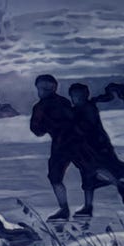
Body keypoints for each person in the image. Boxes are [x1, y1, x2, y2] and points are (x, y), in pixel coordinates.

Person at [68, 82, 124, 217]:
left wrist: (74, 126)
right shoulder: (77, 110)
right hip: (85, 149)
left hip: (98, 146)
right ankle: (89, 205)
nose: (77, 99)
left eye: (79, 96)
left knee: (110, 169)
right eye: (74, 96)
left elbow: (87, 127)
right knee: (90, 175)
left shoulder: (88, 108)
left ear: (85, 95)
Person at [30, 74, 75, 220]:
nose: (42, 91)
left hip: (63, 144)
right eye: (41, 88)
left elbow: (37, 130)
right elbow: (37, 130)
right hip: (71, 142)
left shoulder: (40, 107)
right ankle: (64, 209)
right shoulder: (63, 102)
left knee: (55, 177)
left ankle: (64, 209)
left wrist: (46, 125)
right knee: (56, 177)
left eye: (46, 88)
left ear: (54, 87)